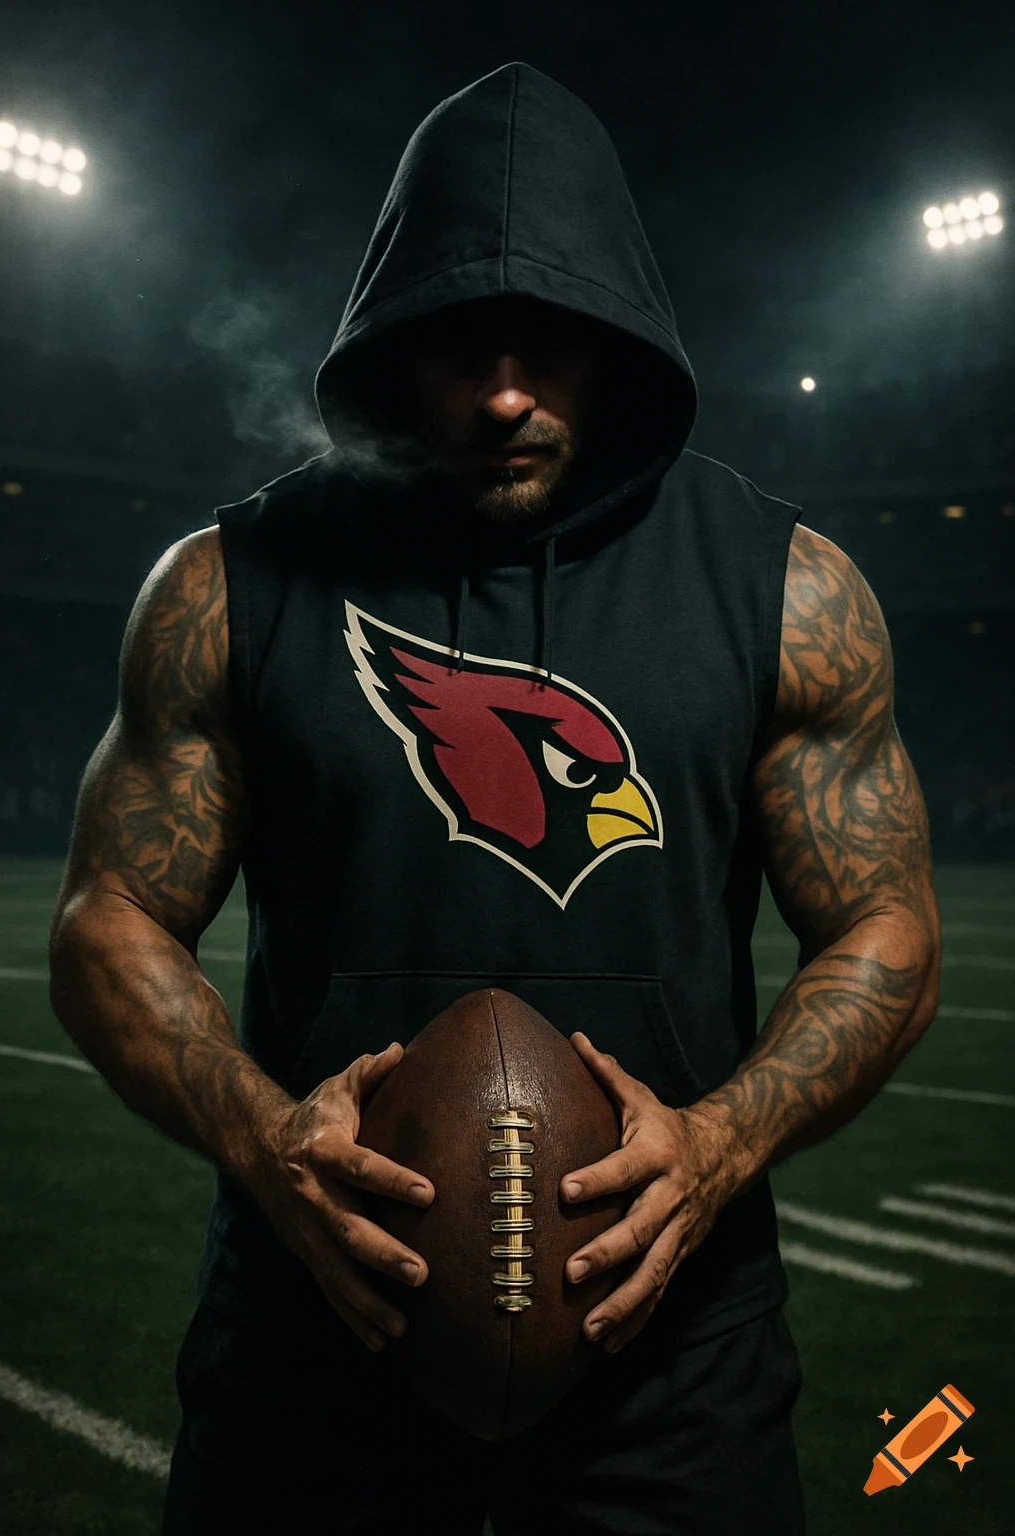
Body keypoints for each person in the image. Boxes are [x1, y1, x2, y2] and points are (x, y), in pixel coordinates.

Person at [48, 61, 940, 1536]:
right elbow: (108, 921)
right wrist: (270, 1143)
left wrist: (718, 1145)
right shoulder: (232, 585)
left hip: (672, 1383)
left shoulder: (789, 591)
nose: (509, 392)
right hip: (313, 1363)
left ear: (623, 344)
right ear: (393, 348)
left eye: (551, 347)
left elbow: (887, 931)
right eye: (465, 345)